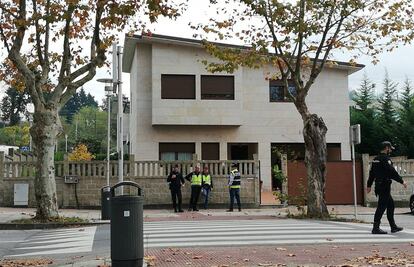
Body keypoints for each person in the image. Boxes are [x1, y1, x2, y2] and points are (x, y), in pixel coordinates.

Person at [367, 141, 408, 234]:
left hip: (379, 185)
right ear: (386, 148)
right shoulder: (385, 159)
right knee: (381, 206)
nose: (390, 150)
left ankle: (393, 226)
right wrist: (402, 181)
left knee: (390, 205)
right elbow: (392, 172)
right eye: (390, 148)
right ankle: (375, 228)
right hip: (384, 185)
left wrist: (369, 185)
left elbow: (372, 173)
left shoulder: (375, 159)